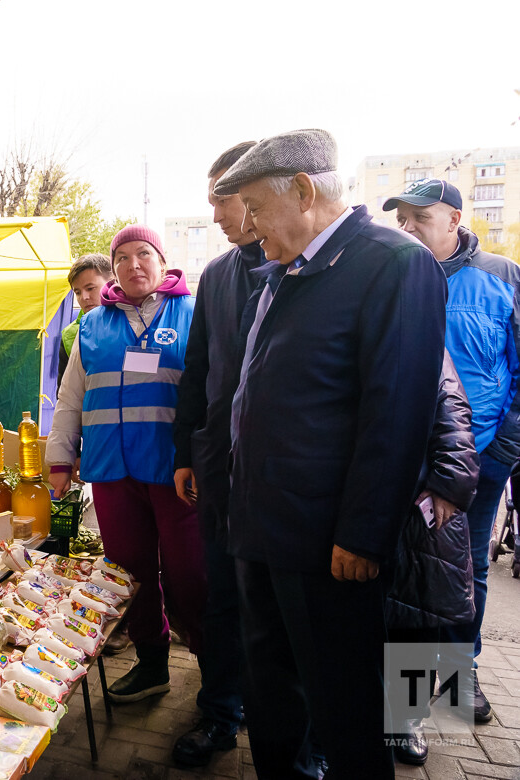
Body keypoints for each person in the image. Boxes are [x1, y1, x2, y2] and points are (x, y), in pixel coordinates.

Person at [215, 128, 446, 778]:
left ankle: (434, 716)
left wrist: (365, 535)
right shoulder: (286, 272)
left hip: (329, 546)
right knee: (271, 699)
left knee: (345, 711)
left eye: (256, 207)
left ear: (305, 191)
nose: (250, 226)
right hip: (262, 529)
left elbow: (396, 414)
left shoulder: (392, 265)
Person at [46, 225, 206, 703]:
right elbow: (71, 396)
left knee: (191, 575)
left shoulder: (195, 313)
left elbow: (213, 393)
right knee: (127, 575)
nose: (134, 265)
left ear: (162, 261)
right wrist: (59, 456)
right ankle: (152, 662)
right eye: (123, 258)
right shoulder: (93, 325)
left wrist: (203, 457)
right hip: (112, 470)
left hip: (175, 471)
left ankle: (216, 670)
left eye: (144, 254)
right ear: (113, 268)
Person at [385, 178, 520, 724]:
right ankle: (409, 713)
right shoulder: (392, 275)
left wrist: (503, 448)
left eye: (421, 217)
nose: (409, 227)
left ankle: (461, 679)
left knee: (468, 573)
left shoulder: (501, 276)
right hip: (407, 458)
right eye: (403, 219)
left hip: (481, 458)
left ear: (455, 220)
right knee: (414, 577)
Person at [169, 140, 260, 767]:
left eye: (424, 216)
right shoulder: (224, 275)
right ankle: (226, 711)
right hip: (231, 472)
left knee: (442, 601)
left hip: (446, 476)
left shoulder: (390, 264)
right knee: (226, 597)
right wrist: (191, 450)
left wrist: (459, 470)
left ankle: (411, 725)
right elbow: (201, 373)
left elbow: (424, 387)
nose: (217, 215)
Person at [384, 351, 478, 767]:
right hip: (358, 500)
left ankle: (405, 720)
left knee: (415, 619)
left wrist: (449, 486)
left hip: (416, 504)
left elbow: (454, 413)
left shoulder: (426, 341)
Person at [57, 254, 114, 394]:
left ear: (113, 282)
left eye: (90, 288)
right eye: (77, 292)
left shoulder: (134, 321)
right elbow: (64, 393)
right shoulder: (69, 334)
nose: (84, 297)